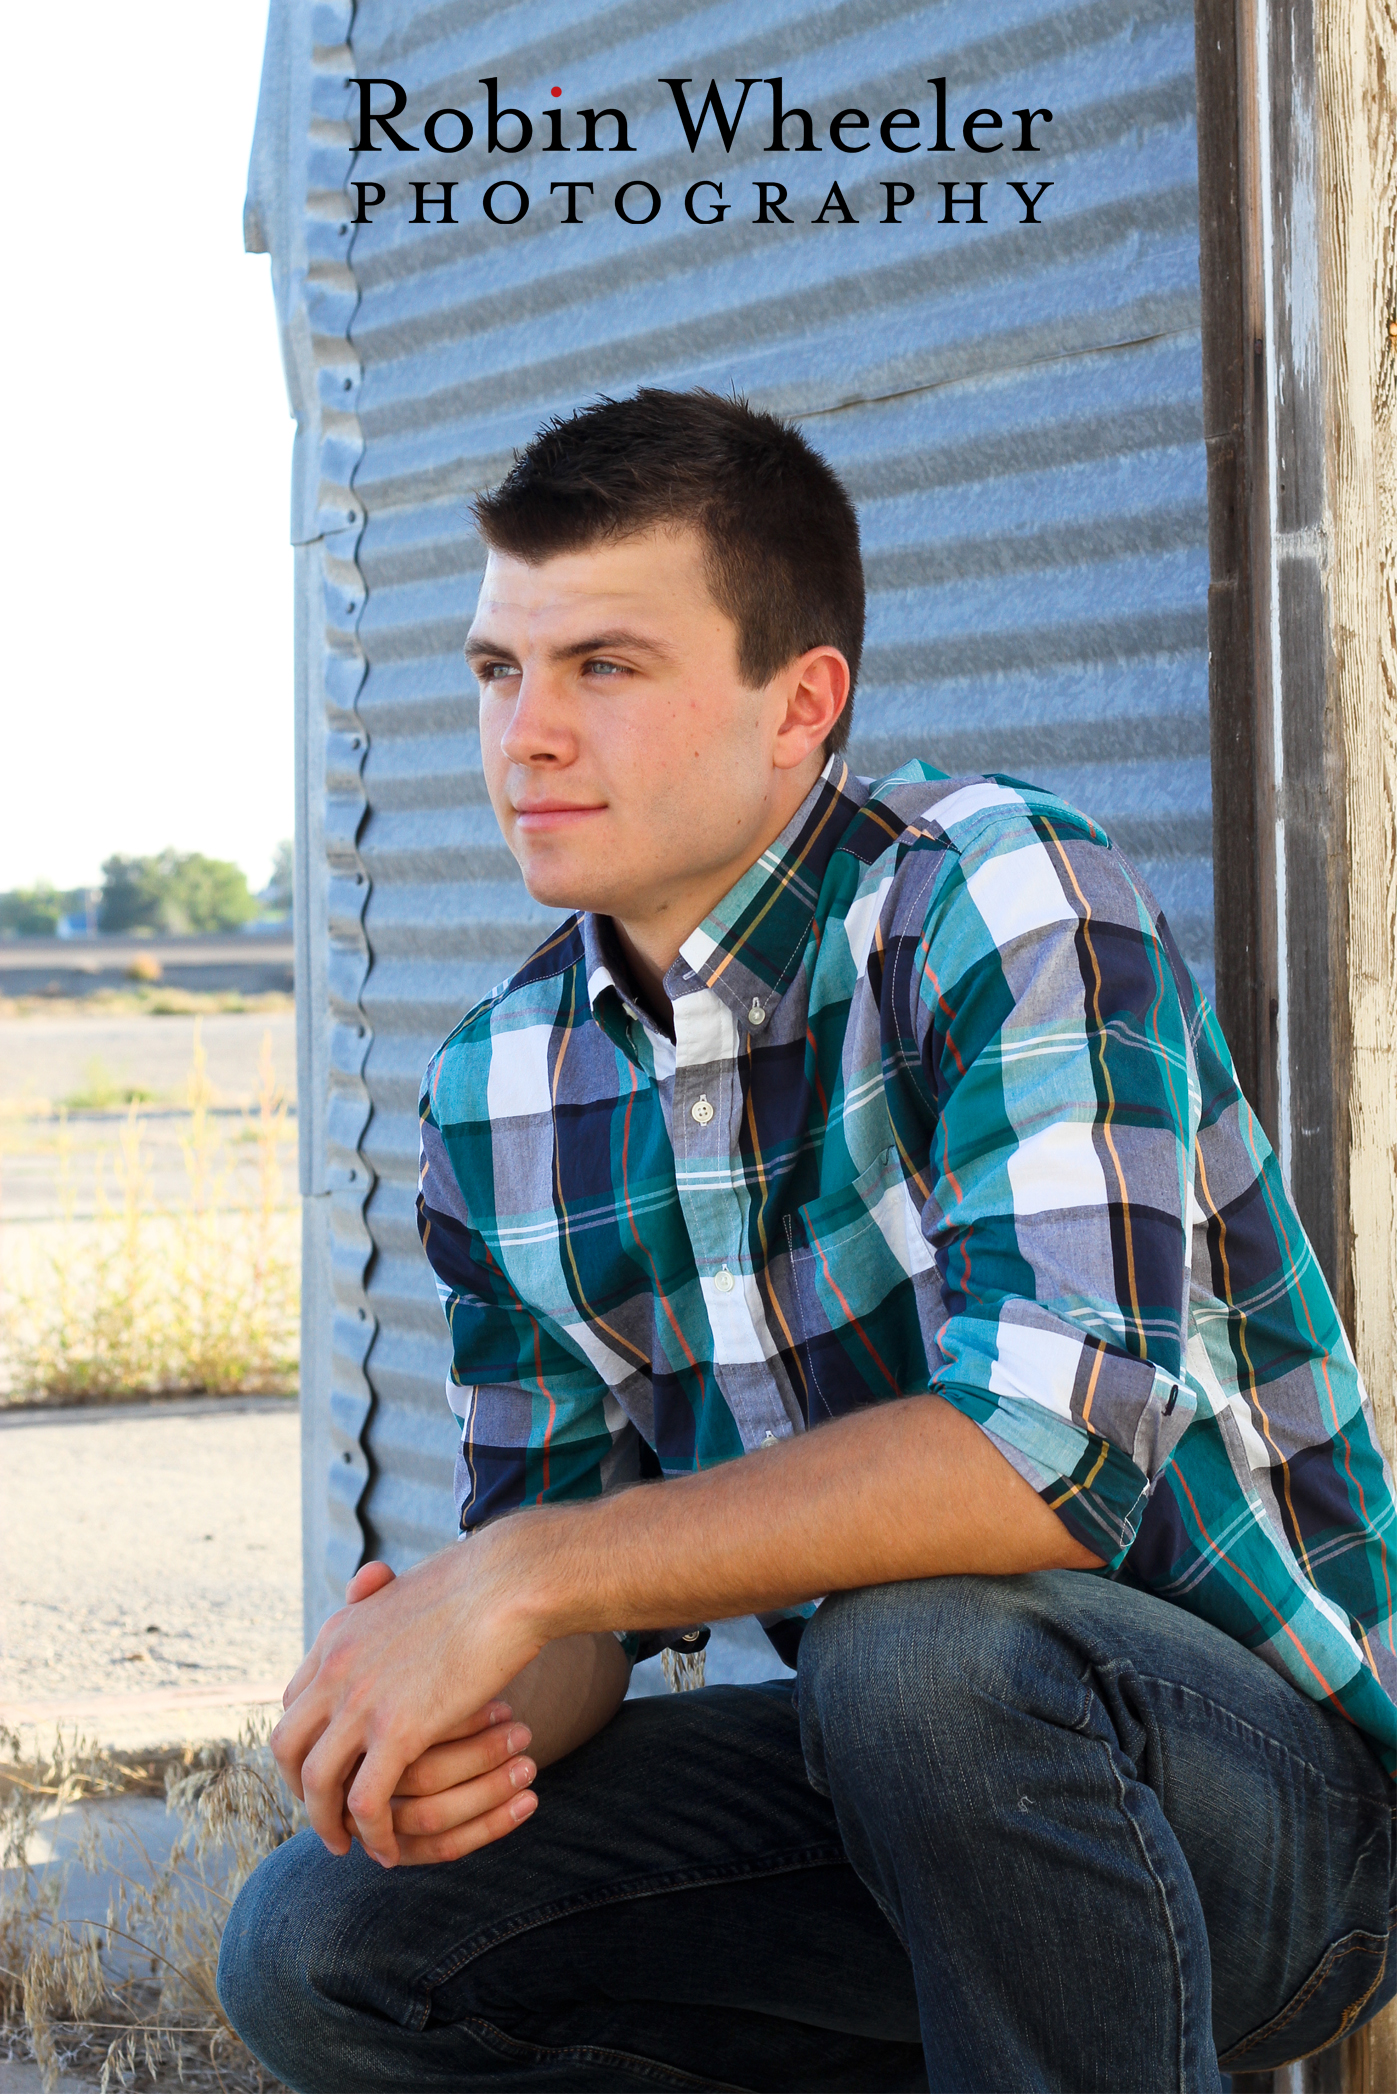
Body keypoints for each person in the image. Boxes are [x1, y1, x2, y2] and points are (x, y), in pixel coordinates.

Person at [218, 389, 1395, 2093]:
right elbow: (574, 1594)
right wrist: (459, 1716)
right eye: (497, 670)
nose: (525, 734)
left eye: (602, 666)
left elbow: (1039, 1460)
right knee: (328, 1941)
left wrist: (522, 1577)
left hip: (1262, 1815)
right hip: (888, 1802)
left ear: (801, 704)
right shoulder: (500, 1085)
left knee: (917, 1651)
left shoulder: (994, 895)